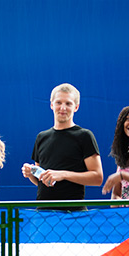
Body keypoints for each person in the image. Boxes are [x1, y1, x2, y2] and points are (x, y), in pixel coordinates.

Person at [21, 83, 103, 211]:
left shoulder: (84, 136)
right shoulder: (42, 137)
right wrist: (31, 173)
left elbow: (97, 178)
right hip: (43, 214)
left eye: (68, 103)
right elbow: (42, 181)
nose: (63, 108)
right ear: (51, 105)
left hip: (73, 215)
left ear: (76, 107)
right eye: (59, 102)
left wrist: (63, 174)